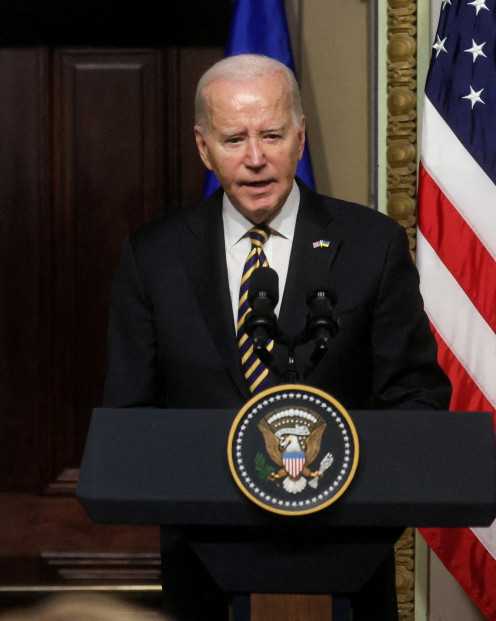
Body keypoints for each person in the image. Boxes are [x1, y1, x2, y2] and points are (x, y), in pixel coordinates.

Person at [102, 54, 450, 619]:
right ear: (202, 147)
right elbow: (132, 419)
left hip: (345, 563)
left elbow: (417, 400)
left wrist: (353, 506)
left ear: (301, 136)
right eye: (234, 139)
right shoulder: (154, 256)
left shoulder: (372, 244)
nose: (256, 159)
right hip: (205, 570)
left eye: (272, 134)